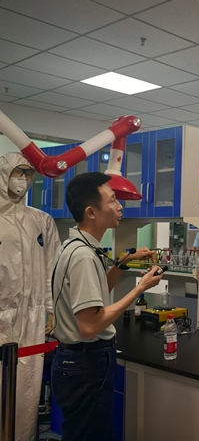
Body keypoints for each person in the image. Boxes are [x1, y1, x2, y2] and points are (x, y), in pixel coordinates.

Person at [50, 172, 163, 441]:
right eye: (112, 200)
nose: (120, 206)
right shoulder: (83, 256)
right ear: (91, 212)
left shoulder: (77, 245)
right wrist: (140, 288)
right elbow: (90, 326)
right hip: (86, 362)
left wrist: (123, 263)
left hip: (78, 362)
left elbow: (97, 292)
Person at [0, 153, 60, 441]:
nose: (23, 179)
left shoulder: (42, 220)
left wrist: (51, 308)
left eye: (28, 173)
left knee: (26, 392)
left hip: (34, 318)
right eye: (18, 172)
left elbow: (52, 269)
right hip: (1, 315)